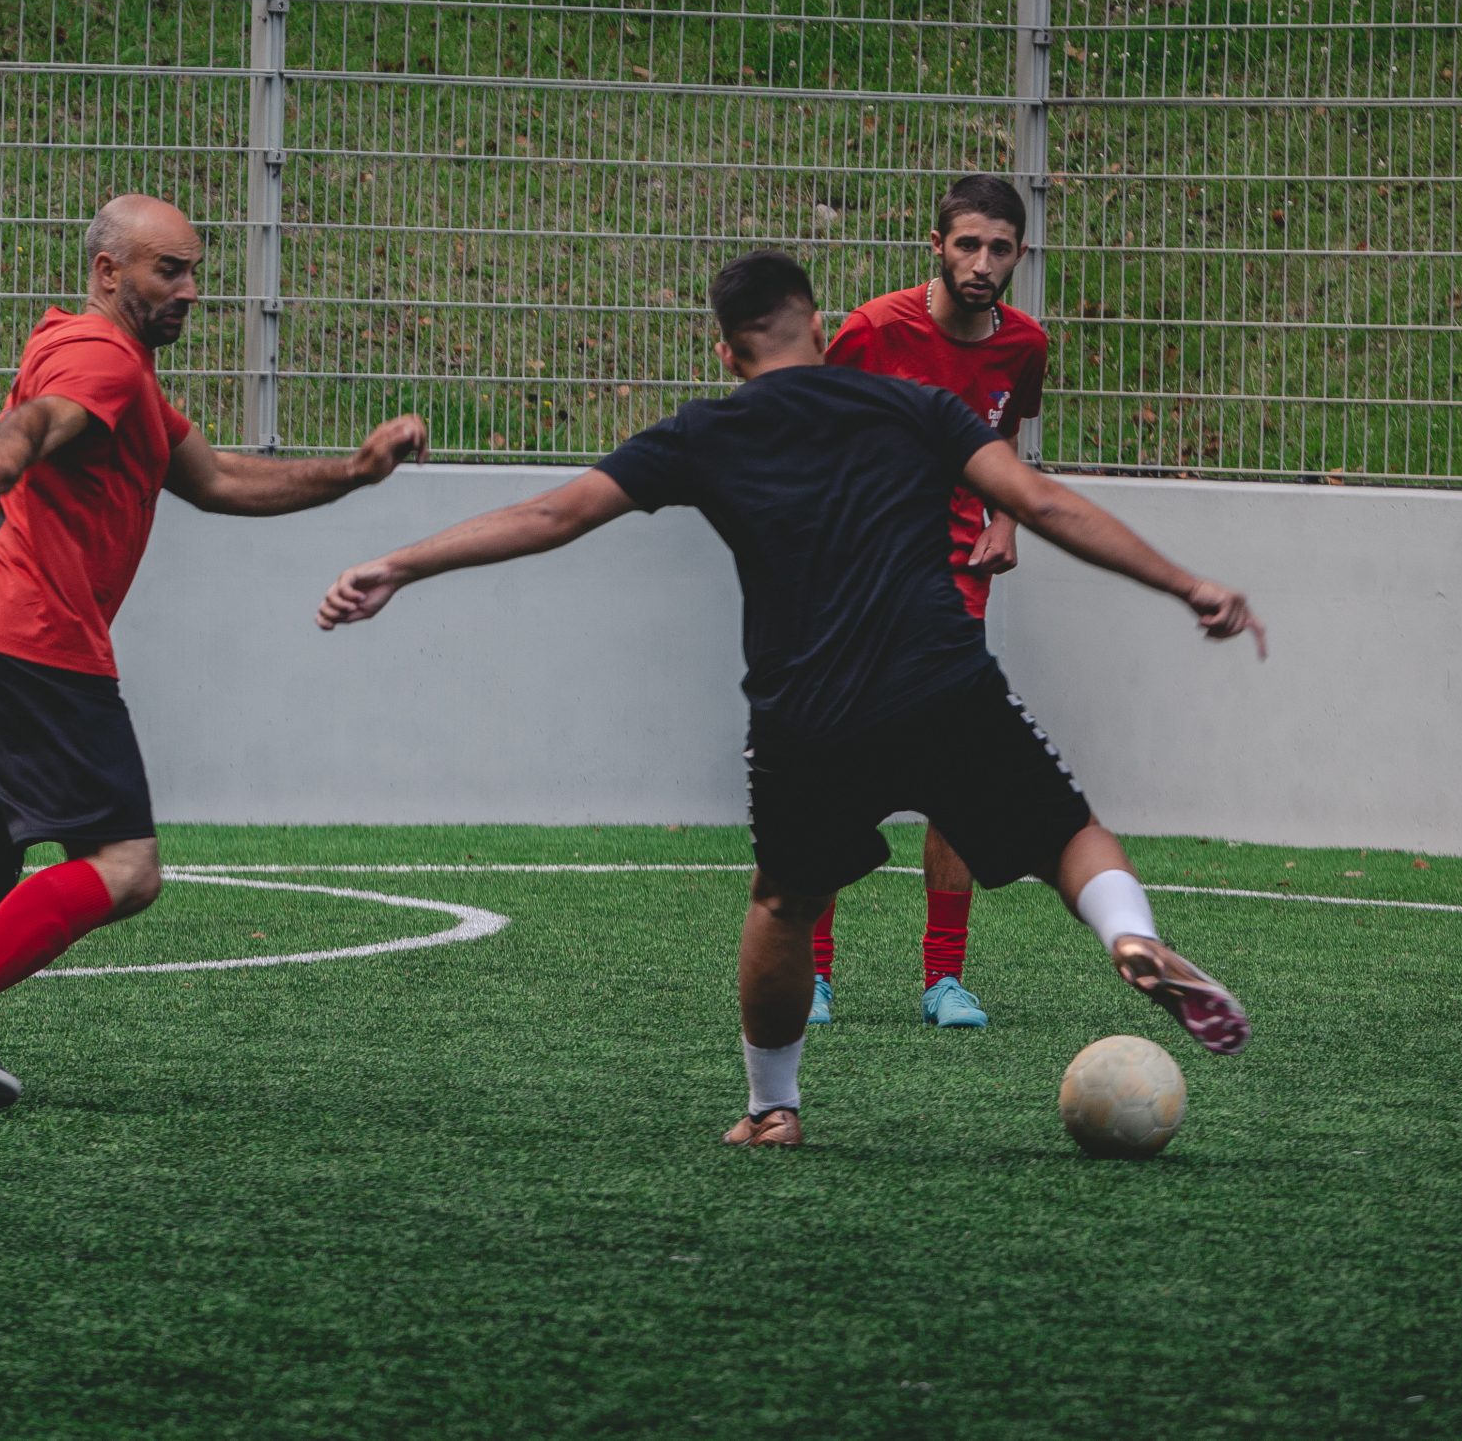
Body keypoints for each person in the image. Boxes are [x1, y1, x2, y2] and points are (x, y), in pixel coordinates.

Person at [316, 251, 1262, 1149]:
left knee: (784, 902)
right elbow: (1045, 505)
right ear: (819, 322)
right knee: (1067, 835)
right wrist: (1188, 586)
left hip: (809, 715)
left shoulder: (705, 432)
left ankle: (774, 1111)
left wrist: (399, 564)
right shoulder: (914, 406)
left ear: (726, 351)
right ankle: (1131, 935)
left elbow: (550, 515)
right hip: (941, 678)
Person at [0, 194, 428, 1109]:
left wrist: (354, 473)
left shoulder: (121, 369)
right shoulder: (102, 356)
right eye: (169, 270)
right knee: (127, 867)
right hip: (39, 641)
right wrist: (4, 452)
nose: (190, 289)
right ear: (110, 272)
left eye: (194, 270)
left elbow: (220, 479)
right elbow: (48, 416)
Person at [809, 172, 1049, 1033]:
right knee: (835, 774)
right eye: (968, 244)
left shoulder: (1024, 344)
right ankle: (813, 976)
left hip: (955, 586)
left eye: (1001, 248)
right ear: (937, 246)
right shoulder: (873, 330)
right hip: (861, 582)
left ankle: (944, 980)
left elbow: (1004, 436)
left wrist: (1010, 517)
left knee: (952, 778)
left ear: (1019, 255)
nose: (983, 263)